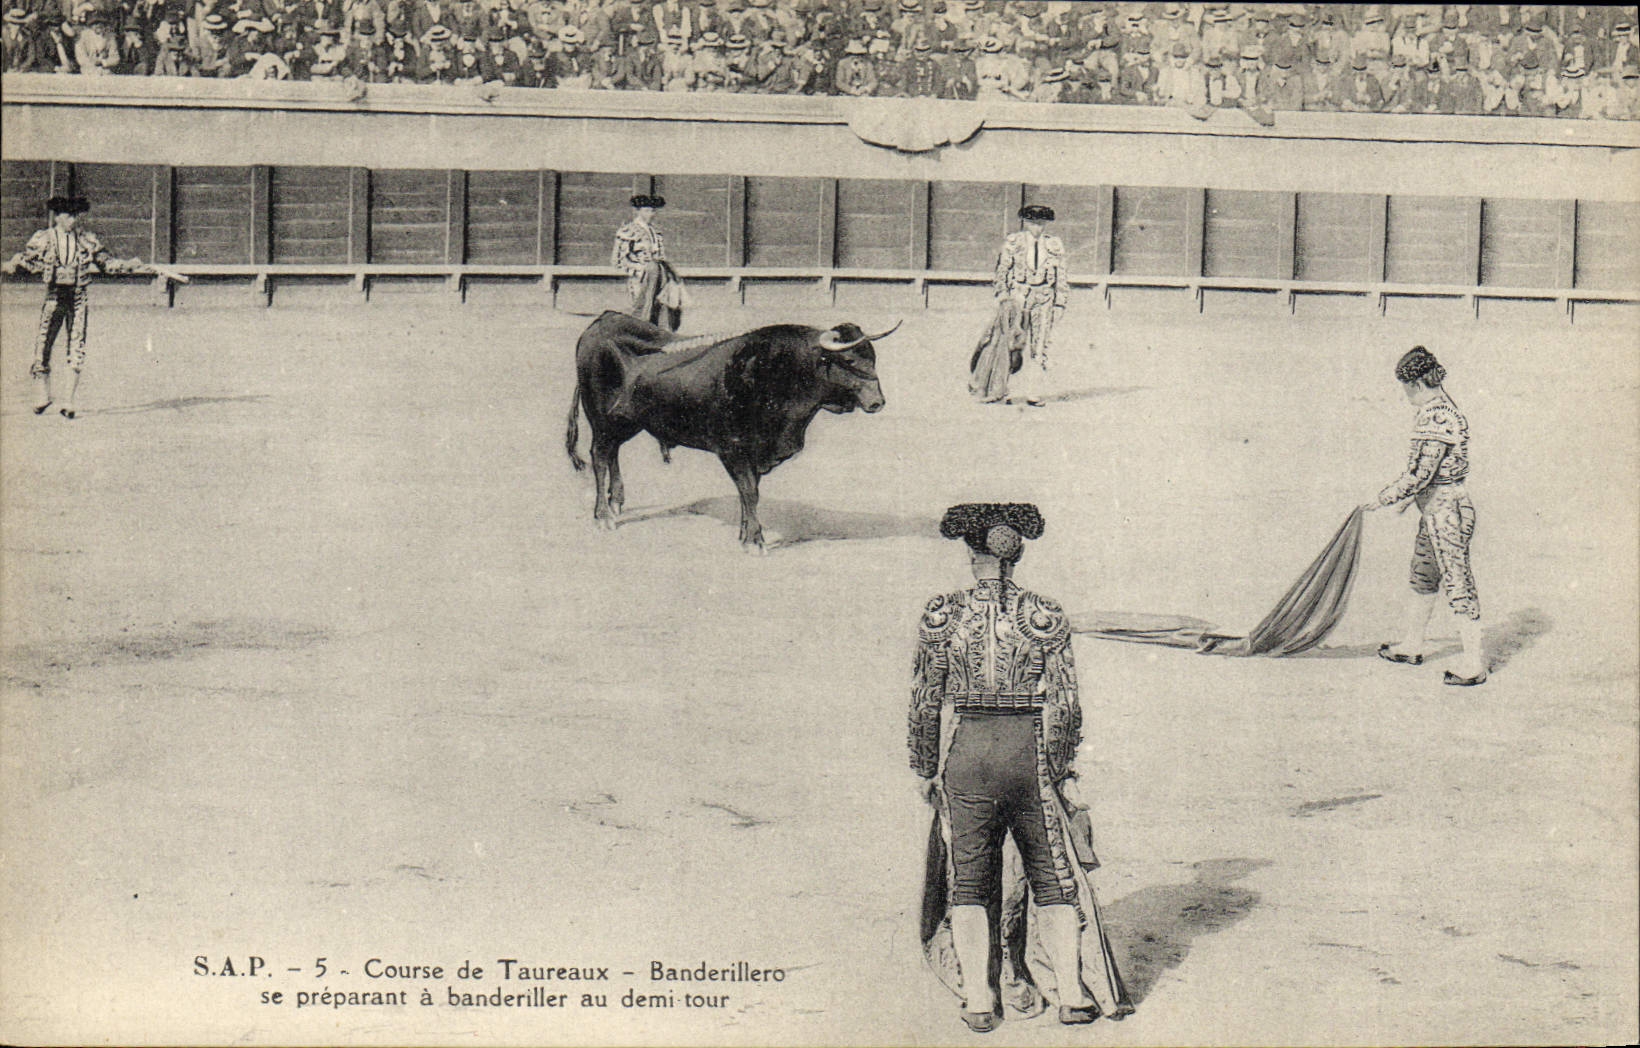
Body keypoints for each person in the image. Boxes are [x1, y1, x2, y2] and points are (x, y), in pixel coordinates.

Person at [910, 503, 1132, 1033]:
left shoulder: (943, 613)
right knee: (1052, 877)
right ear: (1019, 553)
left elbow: (924, 702)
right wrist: (1055, 769)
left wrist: (925, 766)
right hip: (1027, 752)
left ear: (971, 554)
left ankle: (981, 1000)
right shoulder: (1045, 614)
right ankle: (1073, 996)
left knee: (969, 882)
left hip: (967, 753)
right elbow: (1068, 705)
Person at [1366, 347, 1486, 686]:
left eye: (1405, 388)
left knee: (1457, 582)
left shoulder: (1436, 416)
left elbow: (1421, 474)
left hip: (1447, 512)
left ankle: (1474, 664)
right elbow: (1431, 476)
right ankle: (1413, 644)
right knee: (1423, 574)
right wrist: (1409, 502)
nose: (1404, 395)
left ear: (1417, 384)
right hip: (1436, 510)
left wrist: (1384, 499)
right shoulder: (1443, 411)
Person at [3, 195, 144, 419]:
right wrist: (14, 264)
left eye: (75, 215)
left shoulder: (86, 239)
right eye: (68, 215)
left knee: (76, 345)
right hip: (54, 297)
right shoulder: (44, 238)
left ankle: (68, 401)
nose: (72, 220)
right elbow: (27, 261)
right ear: (58, 217)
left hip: (78, 298)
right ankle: (43, 396)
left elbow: (106, 263)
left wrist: (127, 265)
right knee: (43, 345)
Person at [990, 204, 1066, 407]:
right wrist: (1002, 295)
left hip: (1044, 299)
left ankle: (1033, 393)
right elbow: (1002, 270)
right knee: (1011, 345)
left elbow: (1061, 276)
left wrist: (1060, 303)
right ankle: (1004, 391)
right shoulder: (1014, 242)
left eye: (1041, 223)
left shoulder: (1054, 245)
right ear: (1025, 222)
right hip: (1018, 298)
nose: (1037, 228)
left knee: (1039, 346)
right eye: (1033, 223)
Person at [612, 193, 685, 331]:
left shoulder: (655, 232)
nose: (651, 214)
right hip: (640, 278)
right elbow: (619, 260)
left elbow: (660, 257)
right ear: (637, 211)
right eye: (647, 210)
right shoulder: (627, 230)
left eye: (653, 210)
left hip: (660, 276)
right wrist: (641, 270)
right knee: (642, 311)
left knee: (662, 308)